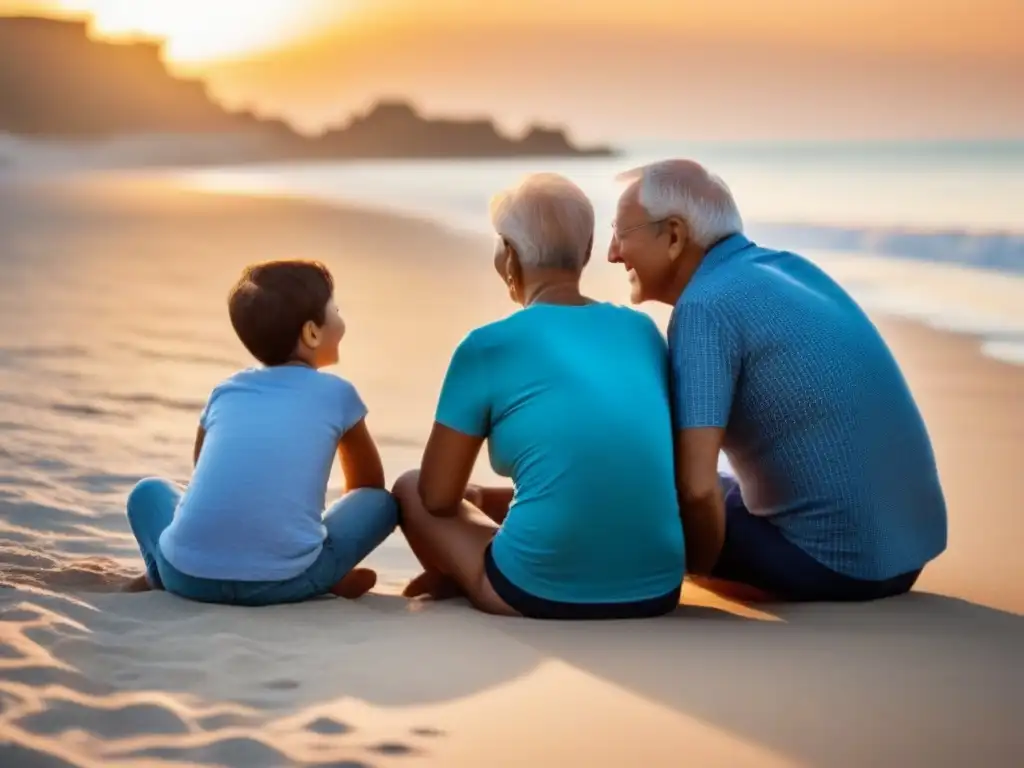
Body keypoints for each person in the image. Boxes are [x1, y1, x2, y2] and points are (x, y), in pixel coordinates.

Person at [608, 159, 948, 602]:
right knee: (709, 480)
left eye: (621, 233)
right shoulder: (789, 268)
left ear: (674, 235)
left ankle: (506, 527)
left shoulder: (705, 307)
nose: (613, 253)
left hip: (837, 567)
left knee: (637, 486)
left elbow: (693, 487)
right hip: (906, 555)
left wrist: (694, 567)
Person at [391, 173, 685, 619]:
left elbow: (436, 498)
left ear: (509, 256)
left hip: (537, 589)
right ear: (586, 252)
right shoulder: (642, 332)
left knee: (411, 487)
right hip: (658, 588)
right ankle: (468, 567)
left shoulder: (485, 346)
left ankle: (463, 576)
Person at [123, 260, 398, 606]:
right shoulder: (338, 393)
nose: (342, 320)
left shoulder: (226, 391)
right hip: (285, 582)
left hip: (188, 577)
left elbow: (202, 470)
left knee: (147, 492)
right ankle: (328, 576)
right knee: (382, 504)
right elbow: (367, 485)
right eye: (337, 310)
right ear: (312, 332)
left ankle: (159, 575)